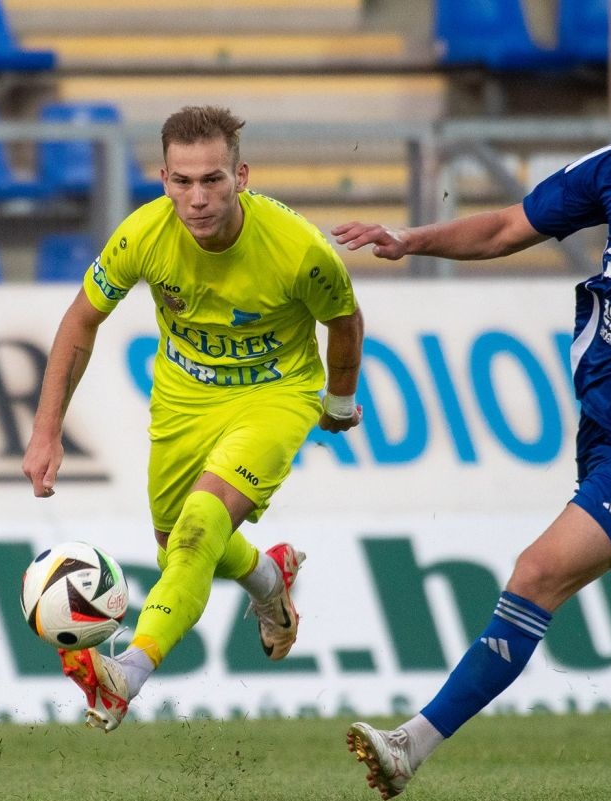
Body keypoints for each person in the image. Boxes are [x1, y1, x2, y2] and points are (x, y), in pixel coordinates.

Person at [333, 16, 611, 799]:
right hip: (601, 428)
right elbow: (503, 227)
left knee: (536, 573)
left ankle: (409, 743)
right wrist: (410, 238)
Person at [22, 105, 364, 731]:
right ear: (164, 179)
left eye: (212, 180)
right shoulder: (143, 235)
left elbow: (344, 320)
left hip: (276, 395)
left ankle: (126, 674)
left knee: (199, 528)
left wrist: (339, 401)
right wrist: (47, 431)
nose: (197, 198)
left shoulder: (299, 251)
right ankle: (269, 577)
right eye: (182, 181)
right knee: (175, 547)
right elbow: (81, 321)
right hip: (183, 400)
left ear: (242, 176)